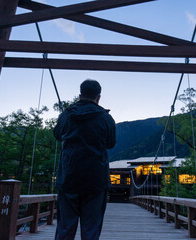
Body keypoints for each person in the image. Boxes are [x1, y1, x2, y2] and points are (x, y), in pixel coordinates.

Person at [53, 79, 116, 240]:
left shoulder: (66, 115)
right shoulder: (106, 119)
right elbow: (110, 143)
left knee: (65, 229)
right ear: (98, 97)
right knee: (91, 230)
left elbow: (57, 135)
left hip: (68, 179)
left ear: (80, 95)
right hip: (96, 182)